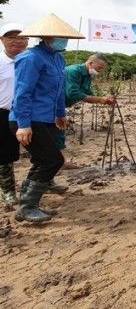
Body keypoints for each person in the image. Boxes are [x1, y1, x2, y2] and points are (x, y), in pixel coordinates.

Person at [9, 14, 85, 222]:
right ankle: (27, 206)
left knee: (43, 159)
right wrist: (23, 125)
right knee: (53, 160)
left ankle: (27, 205)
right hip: (28, 118)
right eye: (61, 37)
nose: (65, 41)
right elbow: (22, 93)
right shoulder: (30, 58)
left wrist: (60, 113)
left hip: (46, 118)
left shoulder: (57, 57)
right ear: (47, 36)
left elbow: (58, 90)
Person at [53, 53, 117, 171]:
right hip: (52, 105)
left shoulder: (87, 75)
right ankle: (54, 163)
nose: (100, 71)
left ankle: (60, 162)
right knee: (55, 132)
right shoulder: (73, 71)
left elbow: (87, 92)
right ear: (90, 63)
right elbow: (73, 93)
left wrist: (105, 99)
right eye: (99, 68)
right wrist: (100, 99)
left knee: (59, 133)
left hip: (60, 106)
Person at [0, 23, 28, 206]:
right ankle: (8, 191)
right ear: (2, 40)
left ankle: (44, 183)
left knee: (41, 151)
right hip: (3, 113)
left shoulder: (30, 60)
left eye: (22, 37)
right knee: (4, 155)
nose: (17, 41)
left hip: (27, 113)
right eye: (11, 37)